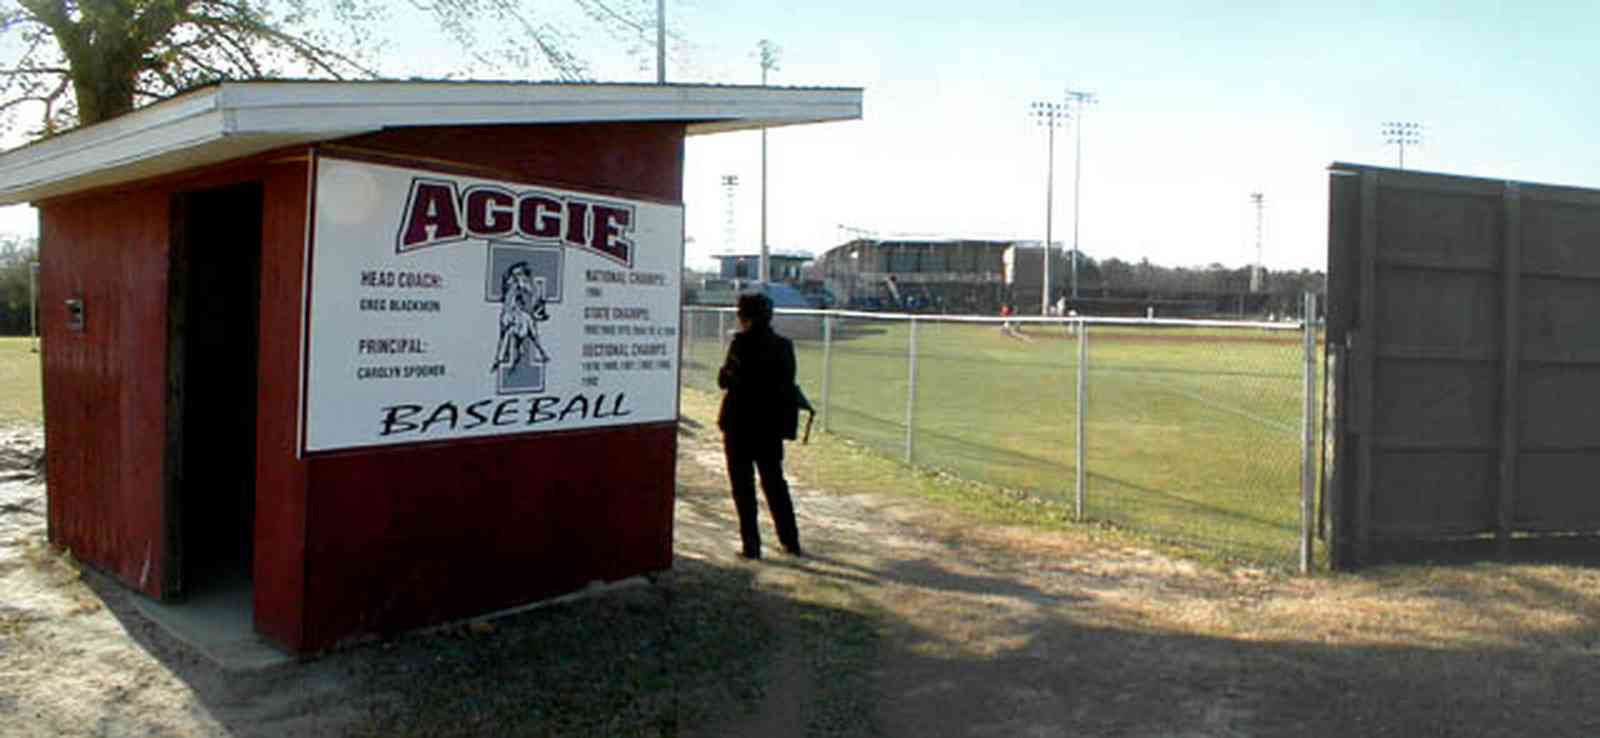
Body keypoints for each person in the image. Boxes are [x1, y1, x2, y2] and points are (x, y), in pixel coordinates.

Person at [717, 292, 803, 559]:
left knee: (743, 487)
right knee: (775, 483)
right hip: (770, 425)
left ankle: (751, 545)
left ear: (744, 317)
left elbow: (725, 380)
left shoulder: (740, 345)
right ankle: (790, 541)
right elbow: (787, 382)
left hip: (739, 425)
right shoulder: (784, 346)